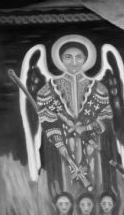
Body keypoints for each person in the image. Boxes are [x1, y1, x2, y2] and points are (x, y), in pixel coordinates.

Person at [36, 37, 115, 196]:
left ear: (86, 59)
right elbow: (46, 120)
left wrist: (85, 128)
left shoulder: (99, 89)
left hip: (92, 145)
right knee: (66, 187)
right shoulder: (48, 90)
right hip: (62, 148)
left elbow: (105, 119)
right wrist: (60, 145)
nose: (74, 62)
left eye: (78, 57)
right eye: (68, 57)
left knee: (94, 186)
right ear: (61, 60)